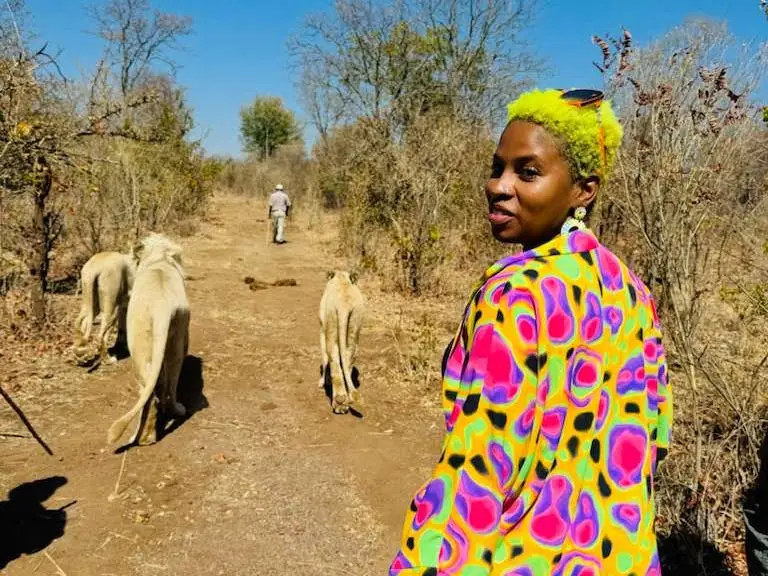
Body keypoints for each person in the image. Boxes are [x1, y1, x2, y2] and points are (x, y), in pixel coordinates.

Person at [388, 88, 673, 575]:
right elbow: (654, 436)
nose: (499, 186)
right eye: (497, 167)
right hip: (615, 556)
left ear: (584, 191)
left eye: (528, 171)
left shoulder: (515, 294)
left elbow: (479, 465)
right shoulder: (630, 290)